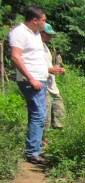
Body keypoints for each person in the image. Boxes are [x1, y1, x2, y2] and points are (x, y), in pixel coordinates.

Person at [9, 6, 49, 165]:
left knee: (39, 114)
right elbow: (15, 57)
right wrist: (31, 78)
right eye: (43, 20)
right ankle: (33, 152)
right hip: (30, 81)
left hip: (40, 80)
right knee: (38, 114)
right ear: (35, 20)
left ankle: (35, 148)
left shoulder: (35, 34)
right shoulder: (19, 33)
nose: (45, 23)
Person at [40, 23, 65, 146]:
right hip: (43, 86)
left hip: (53, 87)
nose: (51, 37)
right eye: (48, 34)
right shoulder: (35, 47)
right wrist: (50, 70)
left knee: (60, 112)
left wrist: (57, 69)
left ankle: (57, 141)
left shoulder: (46, 48)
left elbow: (48, 66)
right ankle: (42, 142)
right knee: (45, 118)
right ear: (41, 33)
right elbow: (34, 67)